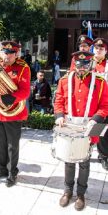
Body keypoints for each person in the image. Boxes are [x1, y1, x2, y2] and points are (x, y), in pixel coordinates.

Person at [54, 51, 108, 211]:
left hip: (92, 125)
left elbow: (105, 106)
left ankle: (81, 194)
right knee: (69, 159)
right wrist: (58, 115)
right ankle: (67, 191)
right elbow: (58, 100)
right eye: (79, 64)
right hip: (70, 125)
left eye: (86, 64)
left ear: (90, 64)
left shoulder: (101, 82)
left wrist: (95, 120)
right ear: (74, 64)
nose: (82, 67)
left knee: (85, 161)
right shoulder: (64, 80)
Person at [0, 41, 31, 187]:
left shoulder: (23, 68)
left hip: (13, 112)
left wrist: (3, 98)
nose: (7, 56)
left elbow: (25, 92)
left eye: (10, 53)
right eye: (5, 52)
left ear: (16, 54)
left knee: (12, 146)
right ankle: (1, 169)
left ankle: (12, 172)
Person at [91, 38, 108, 170]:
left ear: (105, 50)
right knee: (90, 130)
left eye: (101, 48)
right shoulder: (87, 62)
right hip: (90, 104)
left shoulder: (107, 64)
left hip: (104, 104)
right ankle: (87, 151)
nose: (98, 50)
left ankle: (102, 155)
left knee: (102, 131)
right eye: (96, 48)